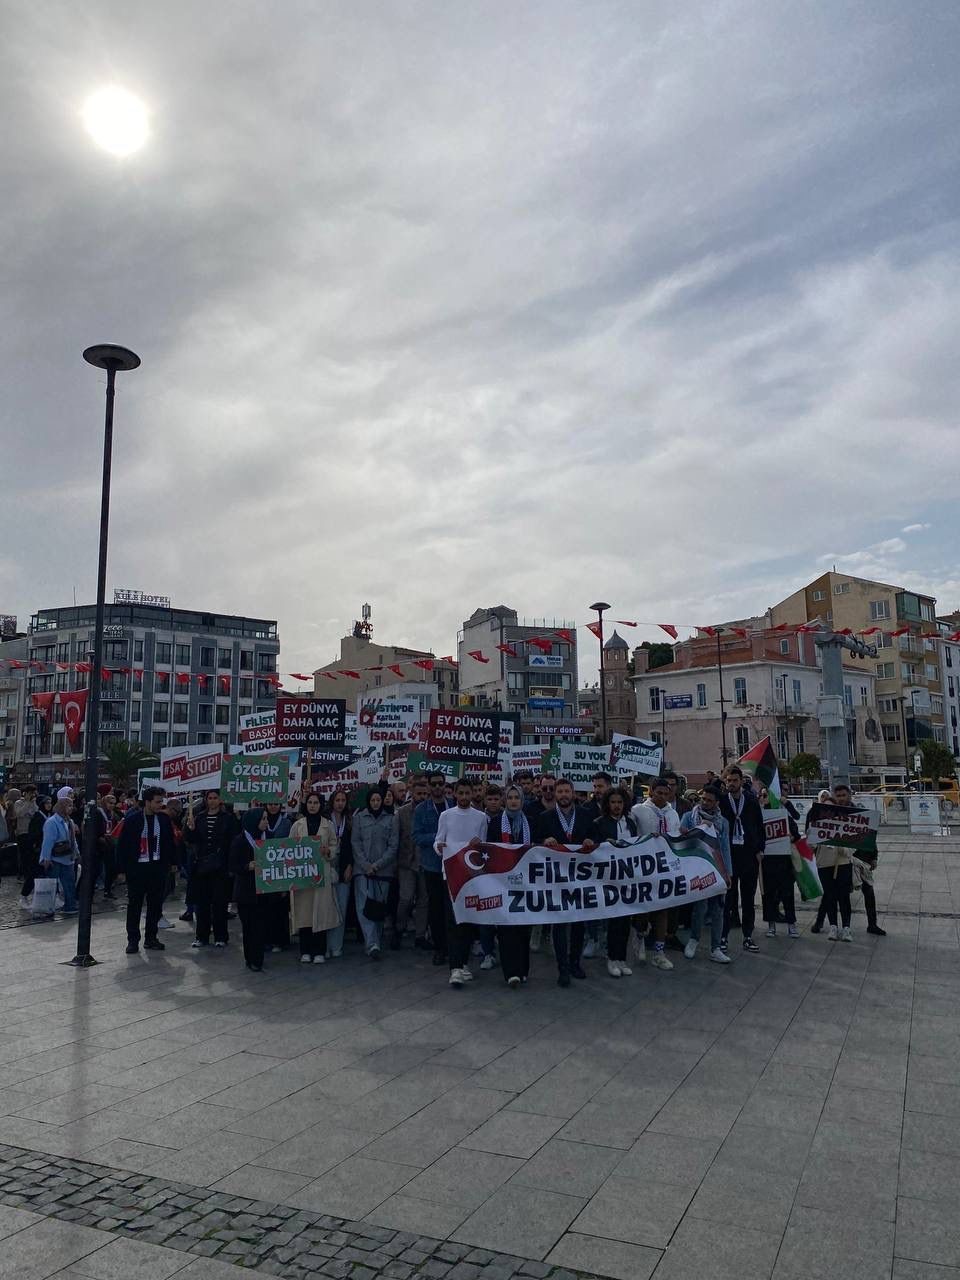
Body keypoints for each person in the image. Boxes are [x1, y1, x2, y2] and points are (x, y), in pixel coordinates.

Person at [536, 777, 595, 987]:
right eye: (559, 792)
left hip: (580, 877)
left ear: (572, 793)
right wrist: (544, 841)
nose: (562, 795)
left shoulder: (587, 815)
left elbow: (595, 838)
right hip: (557, 878)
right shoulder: (545, 817)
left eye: (565, 791)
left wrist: (591, 842)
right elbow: (535, 841)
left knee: (579, 922)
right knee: (559, 923)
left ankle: (574, 962)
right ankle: (562, 967)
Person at [436, 778, 489, 988]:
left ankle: (464, 962)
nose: (465, 797)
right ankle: (455, 967)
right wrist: (439, 846)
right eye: (462, 793)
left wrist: (479, 845)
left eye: (468, 793)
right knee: (453, 920)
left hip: (472, 876)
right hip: (450, 873)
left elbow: (484, 846)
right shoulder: (445, 815)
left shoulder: (481, 817)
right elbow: (438, 840)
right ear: (455, 794)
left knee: (468, 920)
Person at [117, 786, 176, 953]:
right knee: (135, 906)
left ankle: (151, 938)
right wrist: (121, 869)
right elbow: (123, 845)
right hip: (137, 869)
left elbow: (170, 843)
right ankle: (133, 940)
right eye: (157, 802)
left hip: (157, 869)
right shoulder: (133, 820)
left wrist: (172, 863)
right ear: (148, 802)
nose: (160, 805)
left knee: (155, 906)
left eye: (161, 801)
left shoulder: (163, 820)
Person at [630, 778, 680, 970]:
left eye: (665, 793)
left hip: (666, 867)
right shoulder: (638, 811)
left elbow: (676, 836)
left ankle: (659, 952)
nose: (662, 796)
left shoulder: (672, 813)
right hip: (644, 867)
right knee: (644, 908)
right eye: (658, 792)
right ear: (650, 792)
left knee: (662, 909)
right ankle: (640, 936)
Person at [680, 784, 732, 963]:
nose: (705, 803)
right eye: (704, 799)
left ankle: (716, 947)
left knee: (718, 909)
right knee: (699, 908)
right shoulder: (688, 817)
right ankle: (694, 939)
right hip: (697, 869)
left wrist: (728, 873)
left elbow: (725, 848)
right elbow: (682, 840)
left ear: (717, 803)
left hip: (717, 869)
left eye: (710, 801)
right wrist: (697, 829)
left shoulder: (722, 822)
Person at [591, 786, 637, 978]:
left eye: (620, 802)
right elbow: (594, 849)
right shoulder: (599, 823)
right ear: (607, 804)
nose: (616, 806)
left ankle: (622, 958)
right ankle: (611, 957)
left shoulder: (631, 824)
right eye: (613, 802)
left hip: (627, 877)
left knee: (626, 920)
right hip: (608, 878)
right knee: (613, 920)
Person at [719, 765, 765, 953]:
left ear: (741, 781)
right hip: (729, 855)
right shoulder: (721, 801)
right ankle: (723, 936)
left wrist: (760, 849)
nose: (731, 784)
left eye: (734, 780)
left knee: (748, 897)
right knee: (728, 898)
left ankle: (748, 935)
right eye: (728, 780)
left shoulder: (751, 801)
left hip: (748, 855)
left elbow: (759, 826)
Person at [289, 792, 340, 961]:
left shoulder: (328, 825)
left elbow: (335, 845)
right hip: (303, 874)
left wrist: (329, 851)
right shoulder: (297, 825)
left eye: (316, 802)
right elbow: (289, 847)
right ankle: (305, 950)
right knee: (305, 913)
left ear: (321, 804)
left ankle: (319, 951)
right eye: (310, 802)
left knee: (320, 913)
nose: (312, 805)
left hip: (321, 872)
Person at [184, 790, 237, 949]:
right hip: (201, 867)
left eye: (215, 798)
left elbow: (233, 841)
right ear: (206, 800)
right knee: (202, 903)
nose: (212, 801)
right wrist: (190, 828)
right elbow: (191, 840)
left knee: (220, 903)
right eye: (210, 798)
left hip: (220, 867)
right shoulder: (199, 817)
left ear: (220, 800)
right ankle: (202, 936)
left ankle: (221, 936)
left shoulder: (228, 818)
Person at [493, 785, 532, 988]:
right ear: (504, 800)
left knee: (523, 928)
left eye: (517, 797)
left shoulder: (530, 822)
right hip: (502, 882)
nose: (514, 801)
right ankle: (511, 972)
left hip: (525, 882)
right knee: (506, 927)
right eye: (510, 797)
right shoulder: (495, 823)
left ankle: (523, 969)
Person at [352, 789, 398, 960]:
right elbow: (355, 843)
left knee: (378, 908)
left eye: (378, 799)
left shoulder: (391, 819)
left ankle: (376, 940)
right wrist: (365, 865)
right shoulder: (359, 818)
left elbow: (393, 846)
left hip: (383, 871)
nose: (376, 803)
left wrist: (378, 865)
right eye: (373, 800)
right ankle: (371, 944)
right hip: (363, 871)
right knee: (363, 907)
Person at [413, 773, 453, 965]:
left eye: (440, 783)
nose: (437, 787)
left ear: (445, 785)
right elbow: (417, 837)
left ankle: (454, 945)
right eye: (433, 784)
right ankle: (439, 948)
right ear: (428, 787)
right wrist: (438, 839)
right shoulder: (421, 809)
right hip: (433, 865)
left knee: (452, 908)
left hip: (454, 865)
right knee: (436, 909)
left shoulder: (454, 805)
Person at [229, 809, 273, 971]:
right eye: (263, 819)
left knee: (259, 926)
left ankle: (257, 959)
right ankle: (250, 958)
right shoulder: (240, 841)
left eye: (267, 819)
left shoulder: (267, 838)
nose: (266, 822)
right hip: (246, 892)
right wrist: (247, 866)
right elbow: (233, 865)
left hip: (263, 890)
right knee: (248, 927)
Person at [812, 782, 855, 941]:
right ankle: (833, 926)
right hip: (824, 864)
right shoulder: (817, 826)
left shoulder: (844, 824)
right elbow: (811, 847)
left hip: (842, 864)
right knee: (829, 896)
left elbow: (852, 848)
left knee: (844, 896)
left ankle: (846, 928)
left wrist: (841, 845)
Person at [395, 774, 429, 949]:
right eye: (419, 793)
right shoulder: (401, 813)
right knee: (405, 898)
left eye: (425, 793)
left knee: (424, 900)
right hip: (406, 863)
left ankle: (420, 935)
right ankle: (399, 928)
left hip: (425, 863)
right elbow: (396, 839)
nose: (422, 796)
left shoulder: (432, 811)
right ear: (412, 793)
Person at [254, 799, 292, 952]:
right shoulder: (260, 821)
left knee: (280, 905)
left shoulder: (287, 822)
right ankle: (266, 939)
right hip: (264, 868)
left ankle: (280, 940)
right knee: (264, 906)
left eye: (276, 803)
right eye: (270, 803)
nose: (273, 806)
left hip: (281, 868)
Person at [38, 786, 80, 915]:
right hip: (54, 858)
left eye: (71, 806)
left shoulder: (70, 821)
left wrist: (77, 853)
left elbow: (73, 840)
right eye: (68, 806)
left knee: (69, 884)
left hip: (68, 858)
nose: (71, 808)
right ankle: (47, 908)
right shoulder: (52, 822)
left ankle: (70, 905)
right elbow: (48, 841)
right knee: (51, 884)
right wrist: (45, 858)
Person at [325, 788, 353, 958]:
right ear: (332, 802)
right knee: (327, 906)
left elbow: (352, 845)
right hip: (328, 864)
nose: (340, 803)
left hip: (343, 865)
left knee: (341, 906)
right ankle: (326, 945)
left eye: (343, 800)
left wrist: (350, 865)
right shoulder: (325, 820)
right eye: (337, 800)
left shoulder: (349, 820)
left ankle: (337, 945)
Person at [22, 794, 52, 906]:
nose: (49, 805)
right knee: (34, 873)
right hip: (37, 850)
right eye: (46, 803)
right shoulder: (38, 817)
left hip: (46, 848)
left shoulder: (48, 815)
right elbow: (33, 834)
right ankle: (24, 896)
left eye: (50, 803)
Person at [13, 785, 38, 890]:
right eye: (30, 793)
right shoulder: (18, 803)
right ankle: (22, 874)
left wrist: (32, 803)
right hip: (22, 832)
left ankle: (30, 875)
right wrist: (27, 803)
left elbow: (34, 813)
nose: (32, 795)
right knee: (23, 855)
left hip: (31, 832)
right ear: (25, 793)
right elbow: (19, 813)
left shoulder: (33, 803)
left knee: (31, 855)